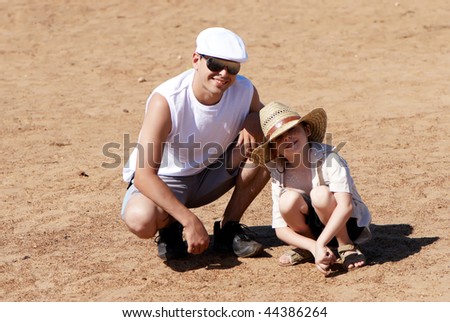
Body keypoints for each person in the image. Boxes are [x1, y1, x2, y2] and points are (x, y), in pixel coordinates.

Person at [121, 27, 270, 261]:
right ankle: (171, 227)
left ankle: (228, 229)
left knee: (268, 149)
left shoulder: (244, 90)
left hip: (209, 176)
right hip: (166, 182)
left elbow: (272, 119)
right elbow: (143, 176)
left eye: (232, 68)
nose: (223, 73)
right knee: (140, 219)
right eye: (214, 64)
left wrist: (254, 120)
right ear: (196, 60)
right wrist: (190, 220)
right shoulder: (166, 100)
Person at [251, 101, 372, 275]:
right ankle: (308, 249)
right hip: (314, 236)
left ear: (306, 130)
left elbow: (345, 207)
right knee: (287, 201)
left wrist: (321, 243)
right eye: (278, 137)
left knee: (320, 195)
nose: (287, 138)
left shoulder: (329, 158)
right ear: (274, 149)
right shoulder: (279, 171)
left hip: (347, 224)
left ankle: (346, 246)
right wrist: (315, 247)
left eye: (292, 129)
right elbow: (280, 229)